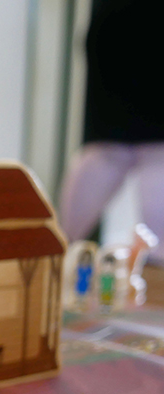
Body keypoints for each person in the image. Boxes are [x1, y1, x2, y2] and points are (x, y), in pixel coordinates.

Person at [58, 0, 164, 258]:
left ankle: (53, 253)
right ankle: (52, 255)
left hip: (115, 32)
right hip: (118, 38)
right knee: (119, 153)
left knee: (120, 153)